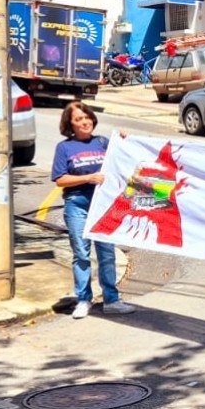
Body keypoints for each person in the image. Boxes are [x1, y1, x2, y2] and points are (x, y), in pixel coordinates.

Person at [51, 100, 136, 320]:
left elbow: (124, 158)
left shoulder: (102, 142)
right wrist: (88, 178)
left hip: (102, 206)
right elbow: (60, 179)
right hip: (77, 204)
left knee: (106, 253)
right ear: (70, 125)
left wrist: (124, 140)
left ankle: (111, 300)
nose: (85, 121)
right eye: (78, 119)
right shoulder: (64, 148)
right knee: (81, 253)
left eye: (87, 117)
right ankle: (83, 299)